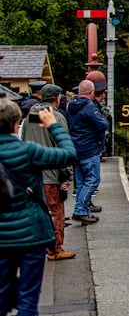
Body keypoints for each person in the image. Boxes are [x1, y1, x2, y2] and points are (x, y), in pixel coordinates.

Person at [0, 97, 77, 316]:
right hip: (31, 235)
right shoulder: (28, 151)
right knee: (28, 301)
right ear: (17, 123)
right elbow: (68, 153)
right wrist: (54, 126)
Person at [21, 84, 75, 261]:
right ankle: (55, 249)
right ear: (57, 98)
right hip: (52, 174)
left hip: (32, 175)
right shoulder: (56, 117)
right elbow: (63, 147)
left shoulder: (30, 117)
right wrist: (67, 175)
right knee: (55, 211)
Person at [67, 80, 108, 225]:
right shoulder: (89, 107)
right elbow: (102, 124)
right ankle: (79, 210)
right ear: (91, 92)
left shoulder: (71, 106)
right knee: (92, 180)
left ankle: (85, 212)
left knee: (81, 182)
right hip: (89, 149)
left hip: (76, 148)